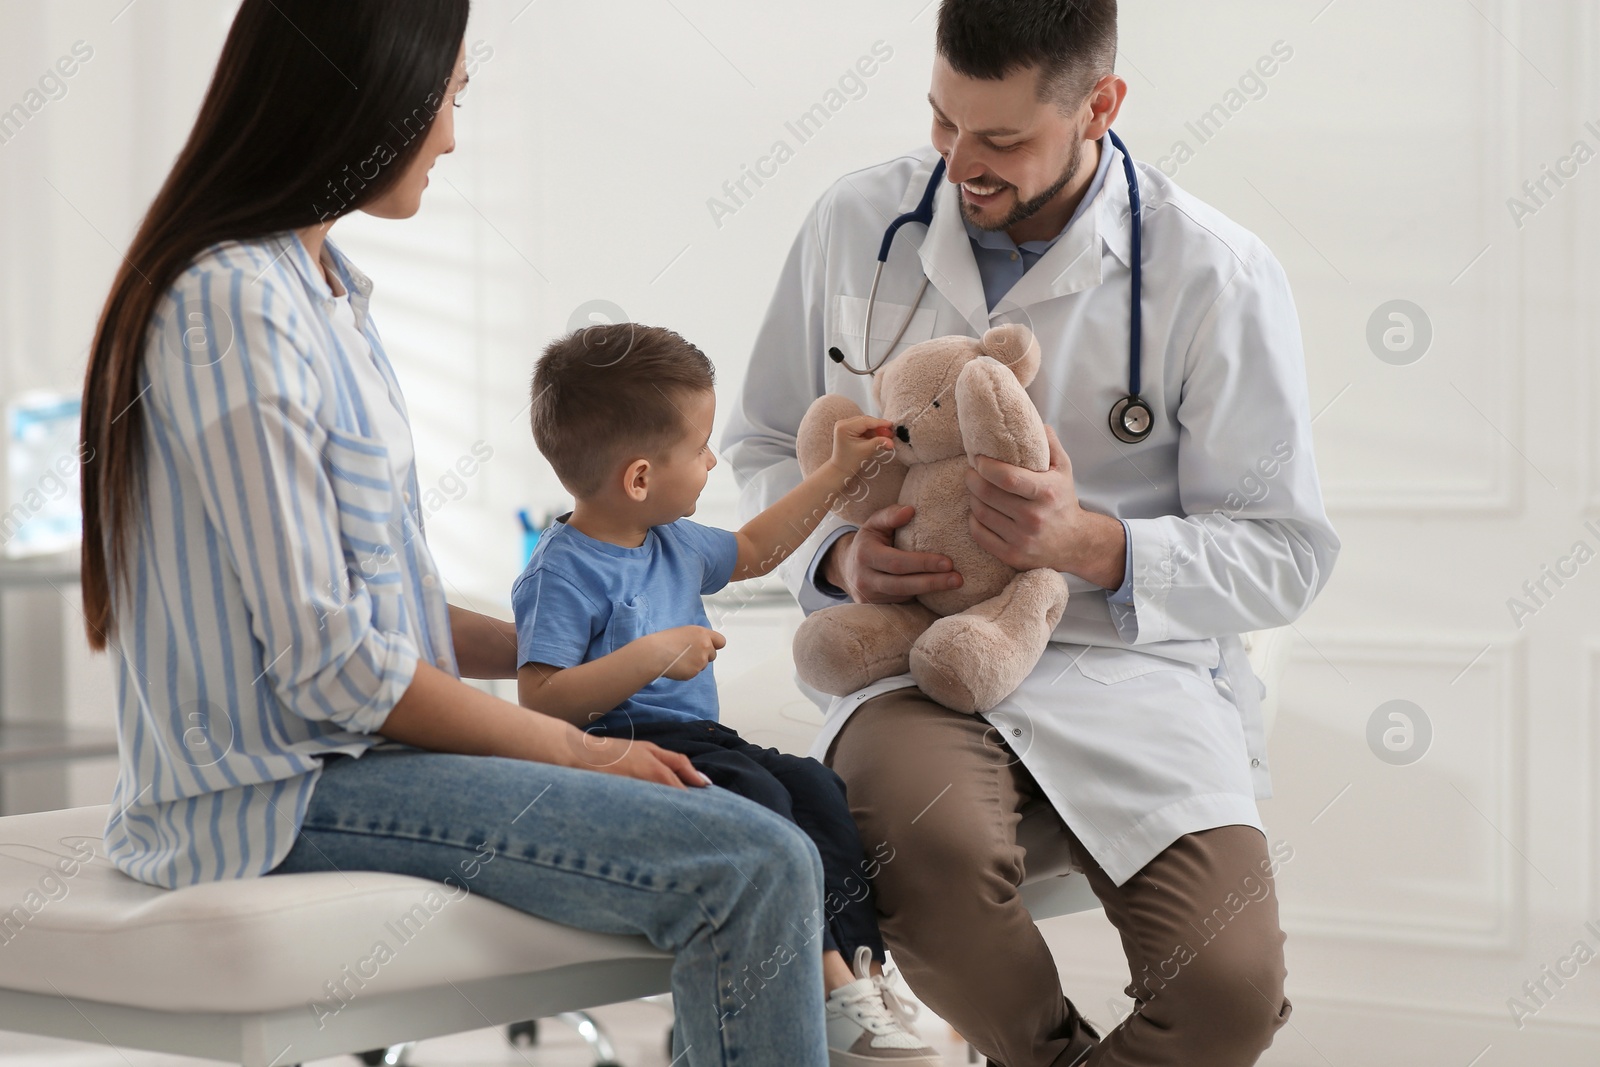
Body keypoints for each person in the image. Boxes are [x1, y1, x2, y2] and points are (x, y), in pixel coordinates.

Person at [77, 3, 831, 1063]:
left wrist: (532, 653)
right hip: (272, 794)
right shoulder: (235, 305)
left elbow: (373, 611)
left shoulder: (329, 293)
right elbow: (332, 662)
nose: (451, 134)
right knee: (754, 860)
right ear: (364, 91)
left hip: (347, 759)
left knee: (773, 818)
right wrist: (580, 750)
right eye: (447, 98)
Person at [721, 1, 1342, 1065]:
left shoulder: (1215, 273)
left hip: (1130, 668)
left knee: (1230, 993)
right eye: (941, 120)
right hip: (912, 658)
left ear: (1100, 104)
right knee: (927, 853)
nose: (958, 161)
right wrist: (837, 553)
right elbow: (765, 441)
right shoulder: (853, 223)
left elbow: (1283, 550)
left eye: (1001, 138)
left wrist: (1092, 542)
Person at [510, 324, 942, 1065]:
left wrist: (837, 473)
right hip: (625, 750)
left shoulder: (670, 538)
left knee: (815, 789)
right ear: (640, 477)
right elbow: (541, 700)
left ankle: (860, 979)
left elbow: (757, 548)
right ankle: (834, 991)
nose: (715, 460)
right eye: (703, 446)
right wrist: (649, 656)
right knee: (762, 809)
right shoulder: (560, 572)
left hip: (702, 741)